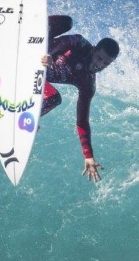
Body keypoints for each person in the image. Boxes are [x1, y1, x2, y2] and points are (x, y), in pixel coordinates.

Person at [40, 15, 119, 182]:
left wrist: (88, 156)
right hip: (39, 53)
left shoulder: (88, 84)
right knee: (67, 22)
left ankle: (25, 115)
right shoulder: (80, 43)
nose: (100, 65)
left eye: (106, 64)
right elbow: (63, 44)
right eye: (99, 58)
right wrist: (50, 55)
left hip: (37, 78)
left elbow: (82, 122)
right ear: (95, 48)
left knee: (54, 99)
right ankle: (30, 23)